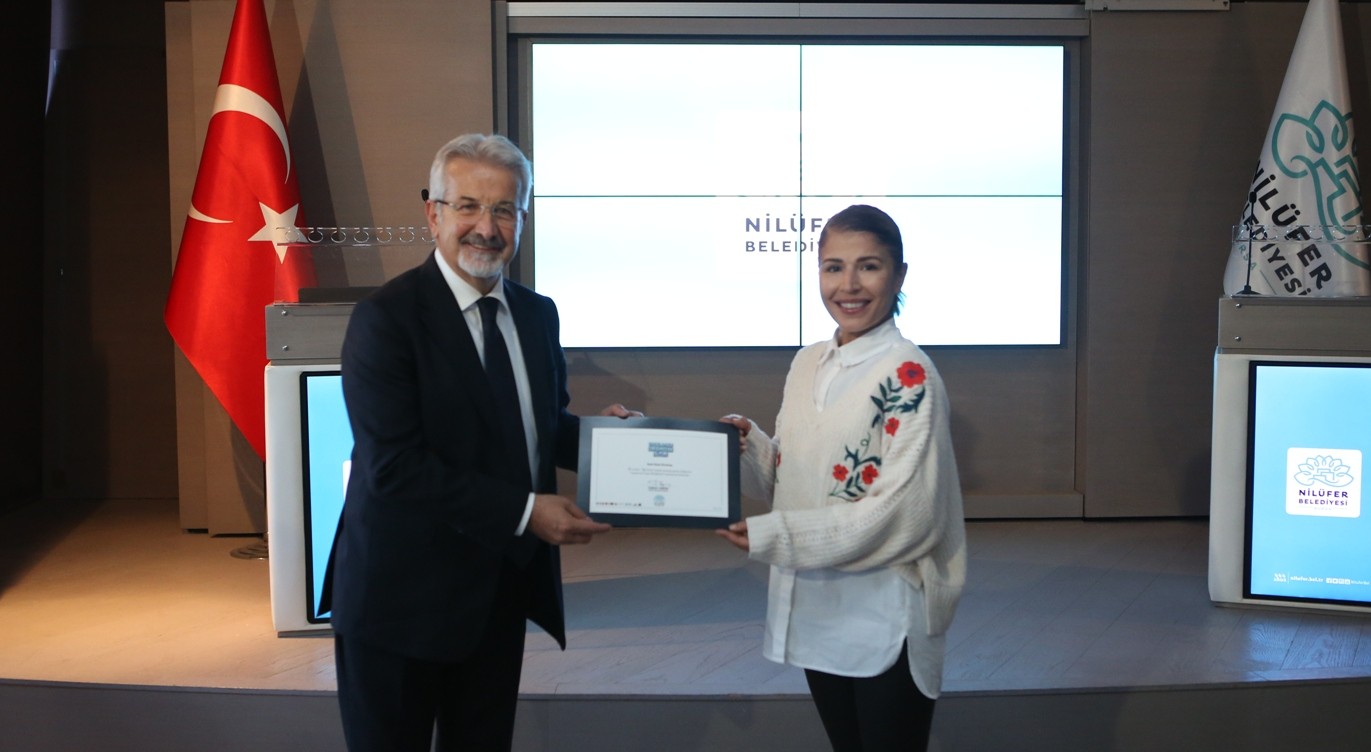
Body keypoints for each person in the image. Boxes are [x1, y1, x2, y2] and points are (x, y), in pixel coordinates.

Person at [323, 133, 638, 752]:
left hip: (496, 592)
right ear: (433, 214)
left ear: (523, 219)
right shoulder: (385, 319)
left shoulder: (537, 314)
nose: (486, 228)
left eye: (503, 210)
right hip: (398, 603)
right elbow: (394, 468)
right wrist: (527, 512)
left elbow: (539, 428)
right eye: (468, 206)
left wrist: (613, 444)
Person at [717, 204, 966, 752]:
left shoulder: (909, 374)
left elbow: (906, 515)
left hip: (883, 612)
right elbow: (798, 480)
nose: (848, 285)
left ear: (899, 275)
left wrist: (776, 535)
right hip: (818, 604)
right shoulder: (808, 362)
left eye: (868, 266)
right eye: (833, 267)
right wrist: (748, 446)